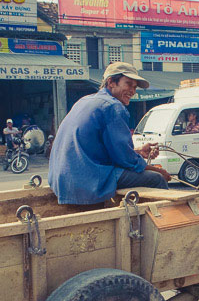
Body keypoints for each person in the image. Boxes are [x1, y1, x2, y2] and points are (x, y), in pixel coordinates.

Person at [48, 62, 170, 205]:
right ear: (111, 82)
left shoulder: (85, 100)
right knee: (157, 179)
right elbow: (126, 159)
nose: (132, 91)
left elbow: (105, 149)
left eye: (134, 87)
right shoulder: (113, 106)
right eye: (128, 84)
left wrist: (137, 151)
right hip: (87, 179)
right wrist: (157, 171)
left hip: (61, 180)